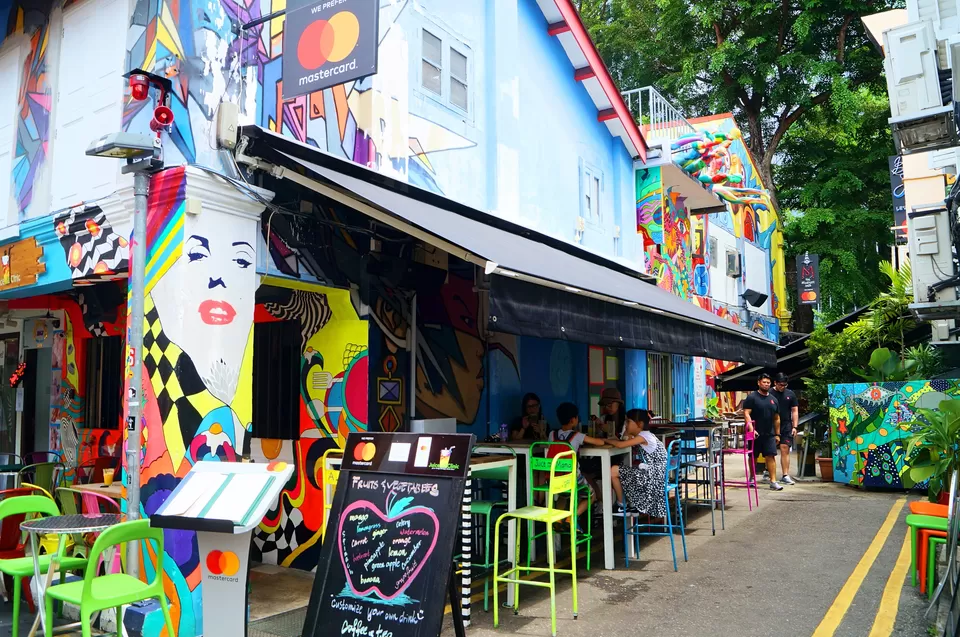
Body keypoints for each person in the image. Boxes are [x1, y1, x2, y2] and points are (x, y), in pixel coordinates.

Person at [606, 409, 668, 517]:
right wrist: (627, 431)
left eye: (628, 422)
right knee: (627, 469)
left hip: (653, 478)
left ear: (639, 424)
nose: (626, 424)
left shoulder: (643, 437)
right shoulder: (645, 435)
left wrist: (606, 440)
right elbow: (625, 437)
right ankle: (633, 505)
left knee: (613, 471)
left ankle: (621, 505)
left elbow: (621, 444)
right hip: (658, 476)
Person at [549, 402, 603, 517]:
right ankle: (572, 518)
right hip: (572, 478)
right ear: (573, 420)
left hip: (554, 478)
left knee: (562, 494)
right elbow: (599, 442)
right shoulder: (577, 436)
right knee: (591, 495)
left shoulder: (552, 435)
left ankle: (558, 520)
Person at [743, 373, 783, 491]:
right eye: (764, 382)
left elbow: (776, 418)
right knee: (753, 456)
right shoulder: (752, 397)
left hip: (769, 433)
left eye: (768, 383)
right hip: (755, 433)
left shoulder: (773, 399)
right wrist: (751, 429)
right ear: (759, 383)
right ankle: (751, 478)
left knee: (771, 456)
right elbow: (746, 413)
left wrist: (777, 434)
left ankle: (773, 481)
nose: (766, 384)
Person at [770, 372, 799, 485]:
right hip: (771, 424)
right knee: (770, 450)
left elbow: (794, 410)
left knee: (785, 448)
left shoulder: (790, 394)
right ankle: (769, 471)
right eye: (780, 385)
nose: (782, 387)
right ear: (775, 383)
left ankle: (785, 475)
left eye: (785, 385)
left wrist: (795, 426)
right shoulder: (769, 393)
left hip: (786, 424)